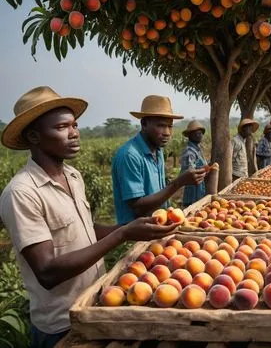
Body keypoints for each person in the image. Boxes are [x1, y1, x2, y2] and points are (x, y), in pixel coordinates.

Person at [0, 87, 180, 348]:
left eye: (75, 125)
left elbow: (86, 228)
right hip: (61, 323)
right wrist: (123, 235)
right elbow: (47, 271)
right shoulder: (21, 193)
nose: (74, 133)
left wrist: (131, 226)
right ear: (34, 136)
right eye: (62, 127)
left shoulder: (72, 176)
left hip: (97, 302)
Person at [112, 95, 206, 225]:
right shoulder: (130, 156)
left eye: (170, 126)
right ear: (144, 124)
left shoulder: (158, 150)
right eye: (161, 126)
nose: (167, 132)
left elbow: (158, 194)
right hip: (136, 236)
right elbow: (138, 208)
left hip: (157, 227)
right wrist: (177, 183)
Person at [179, 120, 208, 207]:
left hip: (199, 188)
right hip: (193, 191)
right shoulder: (189, 152)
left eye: (201, 133)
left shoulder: (197, 149)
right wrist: (204, 170)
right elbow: (190, 173)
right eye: (198, 133)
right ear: (190, 135)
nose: (200, 135)